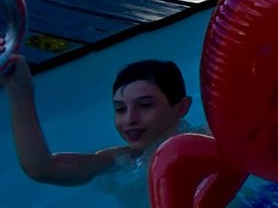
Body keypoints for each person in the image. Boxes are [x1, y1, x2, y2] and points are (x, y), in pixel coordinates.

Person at [2, 54, 192, 185]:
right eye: (120, 109)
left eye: (145, 105)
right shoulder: (119, 160)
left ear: (182, 107)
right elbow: (41, 168)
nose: (130, 119)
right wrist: (19, 92)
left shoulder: (206, 141)